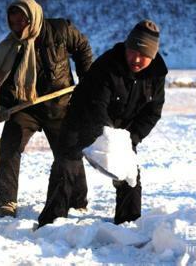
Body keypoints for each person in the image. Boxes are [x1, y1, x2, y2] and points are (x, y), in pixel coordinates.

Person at [38, 19, 168, 227]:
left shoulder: (156, 75)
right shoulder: (107, 64)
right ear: (126, 47)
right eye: (133, 51)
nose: (136, 58)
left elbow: (152, 112)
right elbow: (96, 105)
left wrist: (130, 139)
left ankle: (128, 222)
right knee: (66, 164)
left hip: (123, 130)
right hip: (82, 119)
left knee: (129, 173)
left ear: (152, 57)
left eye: (143, 55)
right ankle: (51, 221)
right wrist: (107, 136)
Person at [0, 0, 93, 217]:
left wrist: (87, 81)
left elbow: (83, 48)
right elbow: (5, 81)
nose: (18, 28)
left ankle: (77, 200)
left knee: (68, 152)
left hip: (60, 105)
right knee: (9, 145)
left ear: (33, 17)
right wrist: (1, 106)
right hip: (26, 107)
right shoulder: (11, 47)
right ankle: (6, 199)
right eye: (13, 23)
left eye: (22, 22)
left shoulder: (60, 30)